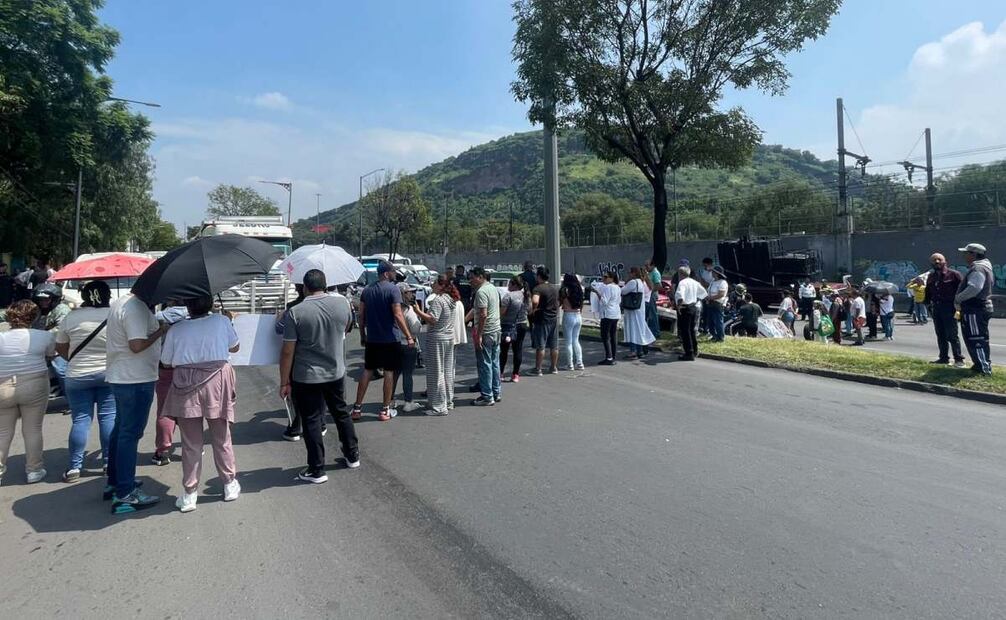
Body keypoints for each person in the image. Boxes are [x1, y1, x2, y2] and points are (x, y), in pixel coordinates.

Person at [159, 296, 241, 512]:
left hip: (185, 383)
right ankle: (229, 484)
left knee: (191, 442)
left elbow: (166, 361)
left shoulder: (177, 329)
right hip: (217, 381)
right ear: (210, 304)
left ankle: (189, 495)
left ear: (187, 306)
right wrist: (227, 321)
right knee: (222, 436)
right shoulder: (221, 321)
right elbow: (235, 347)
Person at [280, 269, 359, 484]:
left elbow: (287, 351)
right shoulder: (342, 303)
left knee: (312, 420)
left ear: (305, 287)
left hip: (307, 376)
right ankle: (352, 455)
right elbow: (348, 327)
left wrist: (284, 381)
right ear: (325, 285)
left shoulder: (296, 312)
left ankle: (317, 469)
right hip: (336, 371)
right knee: (341, 412)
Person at [105, 292, 168, 514]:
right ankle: (125, 492)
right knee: (130, 434)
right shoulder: (136, 309)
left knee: (121, 431)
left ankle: (117, 480)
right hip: (135, 378)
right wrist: (160, 330)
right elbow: (137, 345)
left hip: (124, 376)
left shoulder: (123, 303)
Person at [55, 281, 114, 483]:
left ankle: (74, 467)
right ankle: (108, 463)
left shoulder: (71, 317)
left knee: (80, 420)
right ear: (108, 295)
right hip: (108, 374)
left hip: (77, 375)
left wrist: (74, 359)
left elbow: (61, 347)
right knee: (108, 418)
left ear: (85, 296)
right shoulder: (114, 315)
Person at [352, 261, 415, 422]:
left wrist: (362, 335)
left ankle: (357, 407)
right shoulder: (393, 289)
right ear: (386, 273)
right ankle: (385, 409)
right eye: (393, 271)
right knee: (389, 372)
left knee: (367, 370)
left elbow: (361, 315)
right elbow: (398, 314)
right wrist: (408, 335)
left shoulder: (367, 290)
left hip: (372, 338)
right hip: (389, 338)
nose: (395, 274)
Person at [0, 300, 55, 484]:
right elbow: (51, 354)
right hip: (35, 383)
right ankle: (34, 470)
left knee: (3, 432)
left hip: (4, 385)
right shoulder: (44, 336)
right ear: (34, 317)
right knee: (32, 429)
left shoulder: (1, 337)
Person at [414, 275, 456, 415]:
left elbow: (433, 319)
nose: (432, 284)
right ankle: (447, 401)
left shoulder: (438, 300)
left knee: (436, 372)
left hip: (437, 338)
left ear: (440, 285)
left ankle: (439, 406)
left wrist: (418, 312)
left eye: (434, 282)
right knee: (447, 371)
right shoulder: (450, 299)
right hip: (448, 337)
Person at [152, 301, 188, 463]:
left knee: (165, 411)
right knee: (190, 410)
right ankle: (193, 446)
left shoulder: (158, 317)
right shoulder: (193, 316)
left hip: (164, 368)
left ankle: (163, 451)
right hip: (189, 369)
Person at [955, 243, 994, 375]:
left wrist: (959, 298)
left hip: (975, 309)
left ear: (974, 254)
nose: (964, 255)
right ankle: (979, 365)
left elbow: (975, 287)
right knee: (976, 337)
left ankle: (983, 368)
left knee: (976, 338)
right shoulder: (984, 266)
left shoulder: (978, 268)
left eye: (966, 253)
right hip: (978, 308)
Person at [925, 252, 966, 367]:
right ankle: (943, 358)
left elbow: (962, 291)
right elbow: (928, 292)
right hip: (937, 309)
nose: (937, 262)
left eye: (939, 259)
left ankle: (958, 359)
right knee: (940, 334)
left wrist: (960, 308)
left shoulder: (954, 275)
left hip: (950, 309)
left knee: (952, 335)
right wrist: (928, 305)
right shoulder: (931, 276)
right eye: (934, 260)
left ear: (945, 261)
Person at [469, 267, 502, 406]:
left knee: (485, 364)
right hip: (496, 330)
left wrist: (479, 334)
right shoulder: (493, 288)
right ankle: (496, 392)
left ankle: (487, 396)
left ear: (481, 277)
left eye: (472, 277)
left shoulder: (481, 292)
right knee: (494, 363)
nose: (470, 280)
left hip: (487, 331)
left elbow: (483, 314)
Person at [392, 282, 423, 412]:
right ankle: (408, 401)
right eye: (409, 292)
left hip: (394, 343)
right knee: (407, 374)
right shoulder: (409, 310)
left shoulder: (392, 307)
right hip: (408, 344)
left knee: (393, 374)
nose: (412, 294)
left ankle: (389, 400)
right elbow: (416, 328)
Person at [528, 266, 560, 376]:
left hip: (542, 319)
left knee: (540, 345)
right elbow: (558, 302)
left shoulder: (538, 288)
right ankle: (553, 367)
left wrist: (533, 309)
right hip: (554, 318)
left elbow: (535, 300)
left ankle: (538, 369)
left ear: (538, 276)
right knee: (554, 345)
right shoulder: (555, 288)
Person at [674, 266, 706, 360]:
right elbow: (703, 293)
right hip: (693, 306)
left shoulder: (682, 283)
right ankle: (694, 350)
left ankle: (689, 353)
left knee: (685, 331)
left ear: (680, 274)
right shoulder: (694, 282)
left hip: (685, 307)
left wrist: (679, 306)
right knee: (691, 330)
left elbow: (680, 296)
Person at [500, 276, 529, 382]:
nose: (508, 286)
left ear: (515, 285)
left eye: (510, 283)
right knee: (518, 349)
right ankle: (515, 374)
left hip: (508, 325)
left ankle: (500, 373)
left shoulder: (508, 296)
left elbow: (502, 312)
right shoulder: (526, 295)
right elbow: (529, 310)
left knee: (504, 350)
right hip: (522, 324)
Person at [593, 271, 621, 365]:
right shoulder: (617, 287)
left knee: (605, 336)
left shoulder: (608, 287)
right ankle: (613, 356)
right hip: (615, 313)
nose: (603, 278)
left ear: (611, 278)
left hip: (607, 314)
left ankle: (609, 357)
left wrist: (597, 292)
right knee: (613, 335)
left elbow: (604, 301)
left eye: (606, 277)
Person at [559, 273, 585, 370]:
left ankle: (570, 364)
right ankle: (580, 363)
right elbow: (582, 304)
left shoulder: (565, 290)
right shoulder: (579, 289)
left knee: (568, 342)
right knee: (576, 340)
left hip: (568, 314)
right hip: (578, 315)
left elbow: (560, 301)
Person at [705, 267, 729, 342]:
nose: (712, 273)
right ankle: (714, 335)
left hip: (718, 303)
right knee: (710, 321)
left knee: (718, 321)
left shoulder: (723, 282)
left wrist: (710, 298)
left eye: (713, 272)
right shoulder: (713, 281)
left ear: (717, 274)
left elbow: (721, 294)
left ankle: (720, 337)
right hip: (710, 303)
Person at [643, 260, 662, 339]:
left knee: (652, 314)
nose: (646, 267)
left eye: (647, 266)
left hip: (652, 295)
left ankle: (655, 332)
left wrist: (650, 291)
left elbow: (659, 285)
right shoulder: (649, 273)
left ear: (652, 265)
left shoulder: (655, 273)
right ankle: (649, 331)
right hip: (648, 296)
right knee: (648, 314)